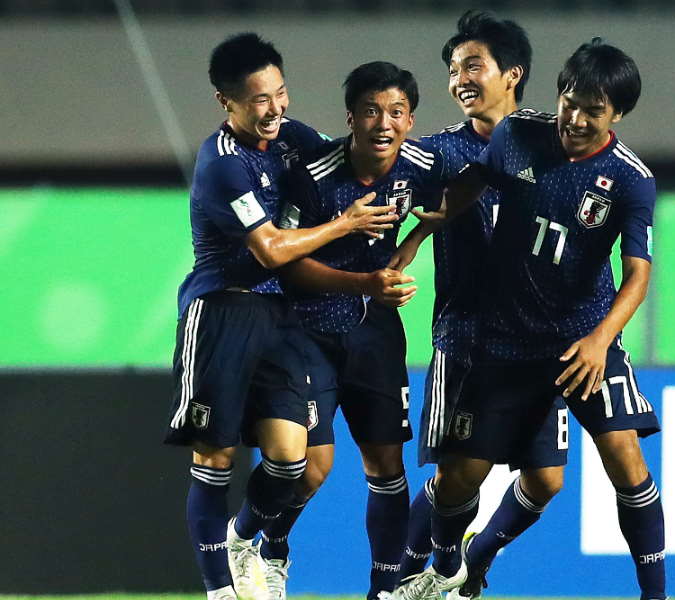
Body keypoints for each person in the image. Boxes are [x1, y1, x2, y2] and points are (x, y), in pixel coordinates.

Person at [399, 38, 667, 600]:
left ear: (616, 114)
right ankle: (448, 569)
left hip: (581, 341)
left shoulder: (630, 179)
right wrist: (425, 230)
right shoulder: (518, 136)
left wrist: (600, 341)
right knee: (459, 478)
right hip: (506, 343)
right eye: (570, 101)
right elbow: (474, 182)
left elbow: (638, 275)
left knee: (624, 454)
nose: (575, 118)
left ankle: (655, 594)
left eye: (592, 111)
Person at [163, 33, 397, 600]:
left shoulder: (294, 140)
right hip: (220, 311)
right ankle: (221, 591)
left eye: (281, 93)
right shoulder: (222, 165)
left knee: (296, 461)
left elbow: (351, 158)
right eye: (259, 100)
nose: (275, 109)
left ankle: (247, 538)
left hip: (281, 315)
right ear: (228, 103)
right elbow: (268, 249)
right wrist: (343, 225)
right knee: (215, 456)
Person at [388, 12, 569, 600]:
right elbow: (381, 189)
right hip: (469, 339)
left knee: (546, 479)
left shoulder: (551, 142)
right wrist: (397, 249)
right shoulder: (439, 152)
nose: (459, 78)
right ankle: (409, 579)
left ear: (512, 73)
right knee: (459, 477)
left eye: (473, 65)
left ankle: (474, 558)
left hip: (541, 344)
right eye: (453, 69)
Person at [256, 61, 446, 600]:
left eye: (396, 112)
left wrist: (411, 244)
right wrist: (367, 282)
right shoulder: (313, 176)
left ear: (410, 121)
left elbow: (469, 185)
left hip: (376, 337)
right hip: (307, 333)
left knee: (387, 466)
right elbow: (285, 265)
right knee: (311, 468)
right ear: (350, 118)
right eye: (370, 111)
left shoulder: (424, 164)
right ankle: (270, 544)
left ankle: (384, 589)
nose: (383, 123)